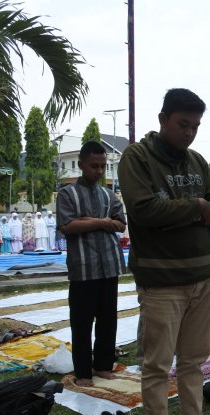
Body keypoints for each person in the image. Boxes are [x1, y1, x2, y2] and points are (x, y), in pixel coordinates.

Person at [118, 88, 210, 415]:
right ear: (163, 118)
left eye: (196, 126)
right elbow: (144, 210)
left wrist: (189, 211)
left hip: (203, 274)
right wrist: (194, 208)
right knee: (157, 364)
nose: (190, 133)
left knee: (195, 361)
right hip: (162, 279)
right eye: (183, 124)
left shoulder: (198, 161)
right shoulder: (137, 158)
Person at [57, 141, 127, 390]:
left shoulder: (109, 194)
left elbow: (120, 224)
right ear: (81, 164)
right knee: (82, 322)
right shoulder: (67, 194)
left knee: (108, 320)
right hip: (83, 267)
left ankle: (103, 366)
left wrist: (88, 221)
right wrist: (102, 222)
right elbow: (67, 226)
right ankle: (84, 371)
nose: (99, 171)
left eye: (103, 166)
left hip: (109, 264)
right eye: (94, 166)